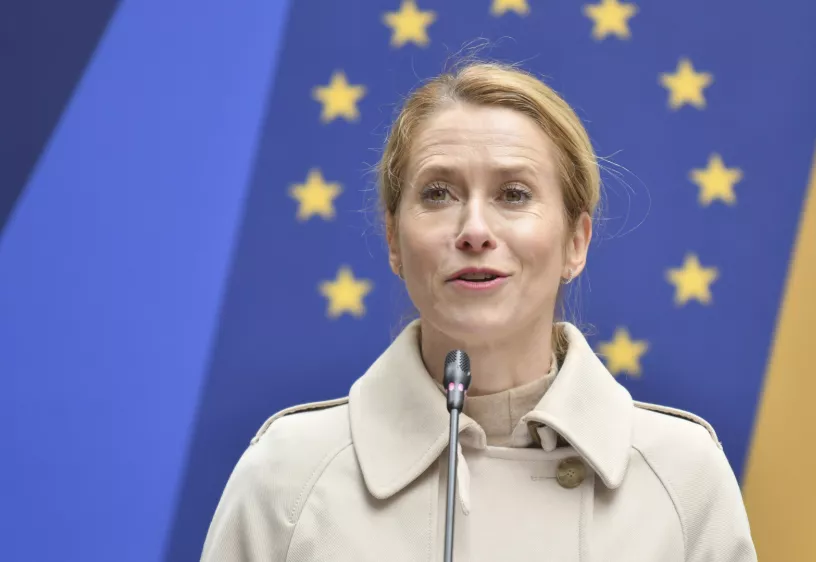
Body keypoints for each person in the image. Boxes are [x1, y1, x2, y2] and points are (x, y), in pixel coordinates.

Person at [200, 60, 757, 561]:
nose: (474, 231)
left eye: (513, 194)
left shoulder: (683, 480)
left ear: (576, 242)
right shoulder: (287, 478)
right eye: (438, 194)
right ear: (393, 239)